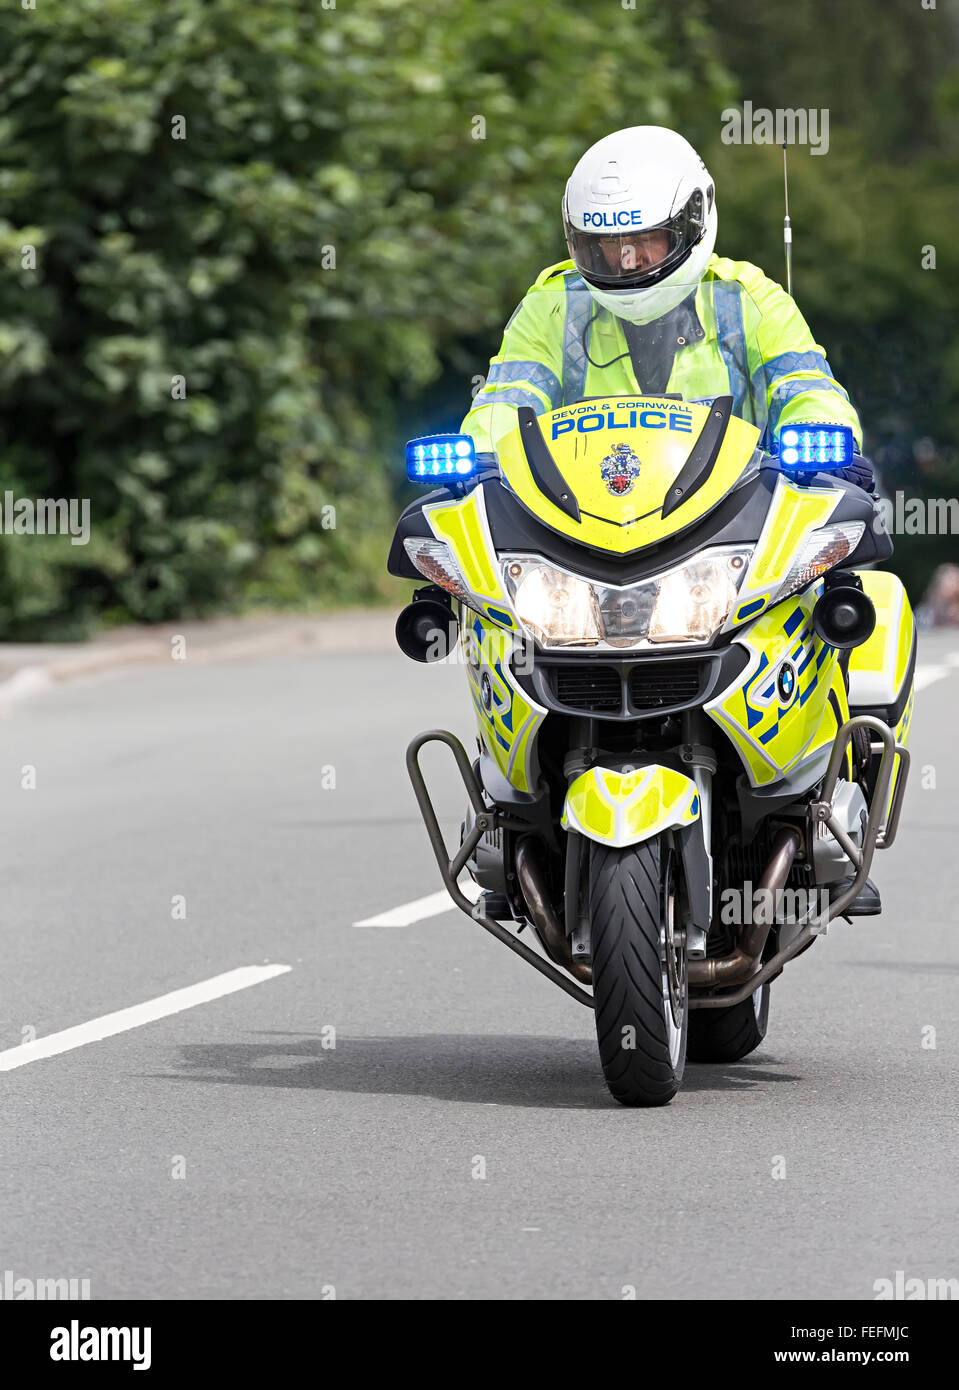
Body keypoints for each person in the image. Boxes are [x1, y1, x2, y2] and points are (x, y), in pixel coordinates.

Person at [462, 125, 873, 492]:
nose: (627, 260)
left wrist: (821, 433)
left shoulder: (749, 299)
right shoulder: (553, 306)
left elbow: (805, 386)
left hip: (733, 525)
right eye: (608, 244)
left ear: (692, 221)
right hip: (579, 532)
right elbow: (505, 399)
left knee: (848, 575)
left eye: (644, 238)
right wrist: (479, 457)